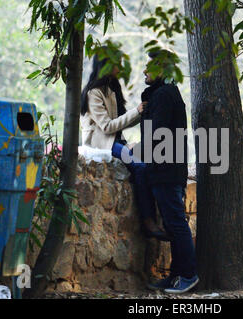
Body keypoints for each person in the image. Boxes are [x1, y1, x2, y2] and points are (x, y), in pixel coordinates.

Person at [80, 53, 170, 241]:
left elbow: (120, 123)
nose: (120, 66)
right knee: (140, 167)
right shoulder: (94, 93)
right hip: (102, 144)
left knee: (151, 165)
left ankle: (158, 219)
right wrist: (136, 111)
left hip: (116, 141)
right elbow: (107, 126)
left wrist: (138, 114)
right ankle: (148, 222)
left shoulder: (112, 89)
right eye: (116, 62)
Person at [140, 50, 199, 294]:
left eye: (150, 68)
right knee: (174, 223)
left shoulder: (163, 95)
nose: (145, 71)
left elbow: (158, 133)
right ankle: (176, 276)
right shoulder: (164, 94)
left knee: (176, 223)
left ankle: (188, 274)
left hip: (165, 169)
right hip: (166, 168)